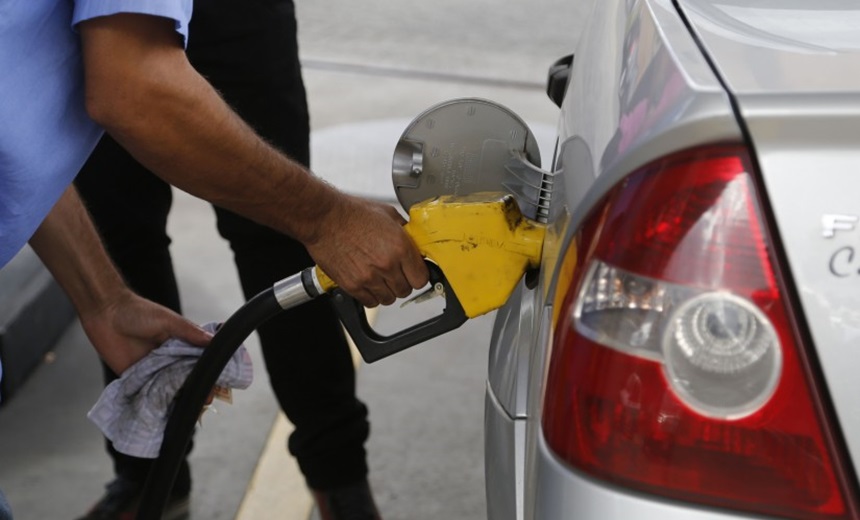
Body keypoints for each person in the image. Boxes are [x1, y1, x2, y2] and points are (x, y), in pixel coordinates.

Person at [0, 1, 428, 518]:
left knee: (283, 244)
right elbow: (129, 87)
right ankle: (149, 477)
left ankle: (338, 477)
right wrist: (329, 220)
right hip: (94, 29)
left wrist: (103, 299)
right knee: (122, 235)